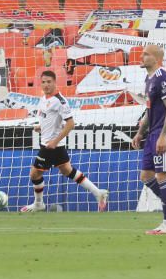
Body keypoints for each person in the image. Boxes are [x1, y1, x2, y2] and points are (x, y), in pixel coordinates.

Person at [21, 71, 108, 213]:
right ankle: (98, 193)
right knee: (67, 170)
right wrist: (40, 127)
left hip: (51, 146)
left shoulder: (60, 101)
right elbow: (51, 120)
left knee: (34, 174)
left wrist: (54, 141)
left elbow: (70, 124)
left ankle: (39, 204)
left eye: (49, 82)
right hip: (52, 144)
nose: (46, 85)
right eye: (43, 82)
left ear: (55, 82)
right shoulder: (43, 98)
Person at [131, 45, 166, 235]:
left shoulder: (162, 78)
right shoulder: (149, 79)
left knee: (162, 176)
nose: (142, 56)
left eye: (146, 54)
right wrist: (140, 132)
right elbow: (150, 110)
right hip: (152, 133)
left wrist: (163, 136)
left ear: (156, 58)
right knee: (146, 176)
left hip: (163, 133)